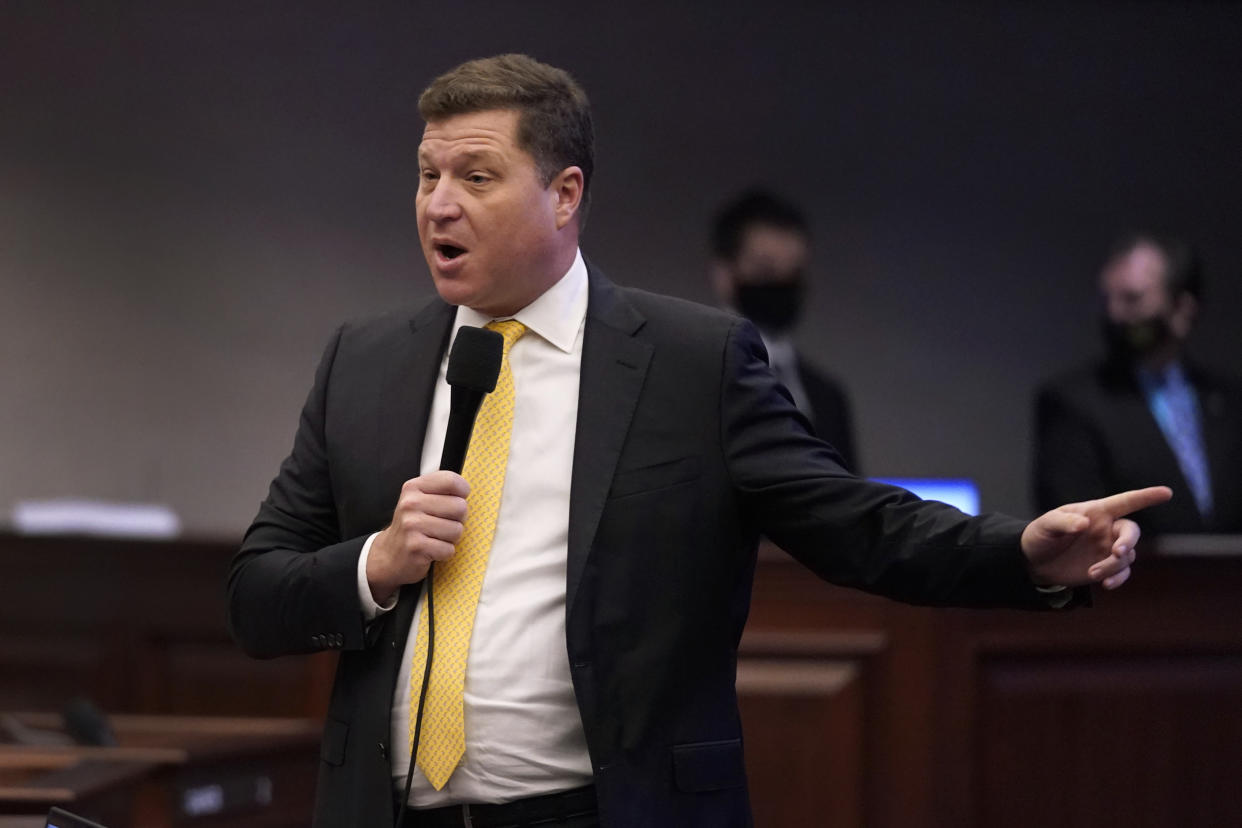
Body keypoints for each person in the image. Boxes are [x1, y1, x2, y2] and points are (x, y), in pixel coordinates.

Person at [227, 54, 1170, 828]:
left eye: (475, 177)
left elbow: (853, 524)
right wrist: (375, 566)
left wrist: (1022, 554)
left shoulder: (690, 361)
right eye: (428, 176)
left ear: (565, 194)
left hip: (606, 812)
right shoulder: (364, 361)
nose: (438, 204)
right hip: (390, 813)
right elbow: (257, 593)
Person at [1034, 234, 1242, 534]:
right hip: (1133, 574)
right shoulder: (1072, 403)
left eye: (1132, 299)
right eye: (1108, 299)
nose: (1115, 314)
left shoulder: (1229, 400)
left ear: (1183, 309)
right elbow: (1075, 524)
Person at [709, 189, 859, 471]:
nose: (781, 284)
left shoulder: (827, 396)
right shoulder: (693, 376)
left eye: (794, 273)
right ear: (724, 272)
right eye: (766, 270)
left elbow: (853, 500)